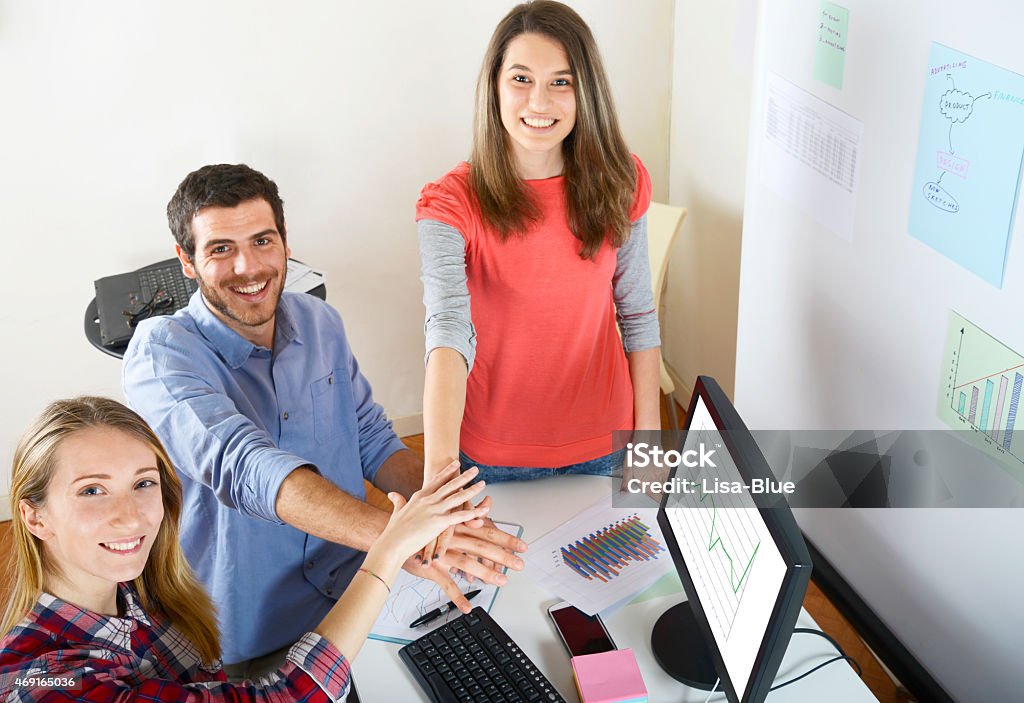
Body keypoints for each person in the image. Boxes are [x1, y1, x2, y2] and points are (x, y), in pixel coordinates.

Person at [121, 164, 525, 674]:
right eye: (221, 248)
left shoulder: (319, 321)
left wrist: (448, 512)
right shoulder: (159, 354)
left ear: (286, 242)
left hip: (356, 598)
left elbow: (372, 438)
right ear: (187, 261)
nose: (248, 267)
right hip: (243, 635)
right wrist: (400, 537)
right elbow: (246, 466)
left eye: (263, 240)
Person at [0, 396, 488, 701]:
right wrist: (389, 548)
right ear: (34, 516)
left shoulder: (129, 589)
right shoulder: (44, 683)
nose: (130, 515)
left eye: (143, 483)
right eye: (91, 490)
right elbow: (285, 698)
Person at [417, 1, 662, 496]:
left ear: (585, 92)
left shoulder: (622, 180)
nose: (539, 103)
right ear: (495, 87)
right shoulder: (449, 203)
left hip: (608, 444)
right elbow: (447, 333)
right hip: (493, 454)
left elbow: (637, 314)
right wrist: (438, 480)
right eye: (522, 79)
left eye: (561, 82)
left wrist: (648, 446)